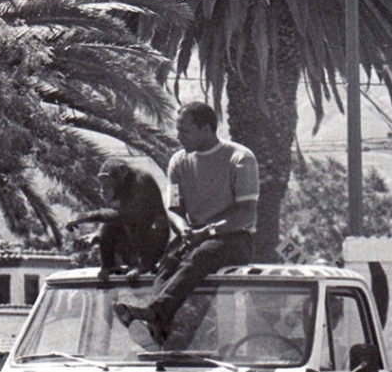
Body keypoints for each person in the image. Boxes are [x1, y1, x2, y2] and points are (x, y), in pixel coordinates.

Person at [114, 101, 259, 344]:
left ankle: (156, 313)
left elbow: (246, 214)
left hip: (233, 238)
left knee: (202, 256)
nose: (178, 136)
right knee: (169, 262)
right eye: (178, 130)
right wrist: (184, 230)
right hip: (193, 236)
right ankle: (157, 326)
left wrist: (208, 231)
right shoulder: (178, 161)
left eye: (185, 131)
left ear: (206, 129)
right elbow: (173, 209)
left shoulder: (240, 158)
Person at [66, 158, 171, 281]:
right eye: (102, 183)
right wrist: (96, 236)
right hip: (132, 240)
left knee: (153, 223)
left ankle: (144, 264)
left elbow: (128, 217)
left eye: (107, 182)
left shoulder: (141, 180)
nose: (103, 188)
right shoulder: (121, 190)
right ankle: (108, 265)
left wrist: (83, 217)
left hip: (152, 240)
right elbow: (112, 220)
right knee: (108, 225)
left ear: (123, 170)